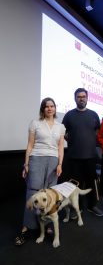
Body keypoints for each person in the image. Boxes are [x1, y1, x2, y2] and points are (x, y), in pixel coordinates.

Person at [15, 97, 65, 245]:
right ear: (43, 109)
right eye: (46, 106)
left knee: (50, 192)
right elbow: (30, 145)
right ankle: (26, 228)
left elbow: (61, 147)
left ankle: (48, 224)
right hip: (36, 158)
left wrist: (60, 164)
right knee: (33, 192)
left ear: (55, 109)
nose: (49, 108)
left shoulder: (60, 126)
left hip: (54, 160)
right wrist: (26, 164)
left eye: (52, 106)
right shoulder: (35, 123)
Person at [62, 88, 103, 217]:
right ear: (75, 98)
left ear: (87, 98)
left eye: (83, 96)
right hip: (74, 156)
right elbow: (63, 132)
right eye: (79, 96)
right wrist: (73, 140)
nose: (81, 98)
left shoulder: (94, 115)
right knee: (75, 184)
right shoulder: (69, 115)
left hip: (91, 156)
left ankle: (92, 206)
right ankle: (77, 208)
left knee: (92, 182)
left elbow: (98, 132)